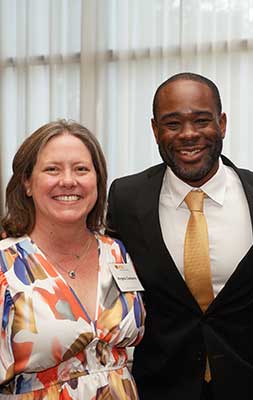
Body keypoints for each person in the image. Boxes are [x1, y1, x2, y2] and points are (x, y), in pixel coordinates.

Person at [106, 72, 253, 400]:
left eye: (202, 120)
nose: (189, 134)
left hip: (250, 387)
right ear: (155, 130)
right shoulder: (126, 198)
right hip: (159, 387)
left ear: (222, 123)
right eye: (173, 123)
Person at [0, 120, 145, 399]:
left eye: (81, 169)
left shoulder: (116, 252)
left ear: (97, 181)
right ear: (27, 183)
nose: (68, 180)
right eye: (52, 169)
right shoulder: (6, 264)